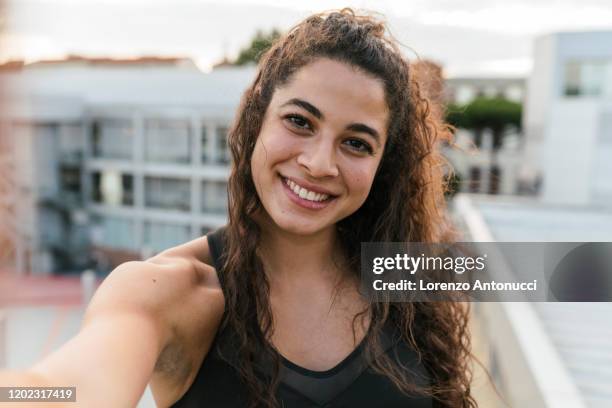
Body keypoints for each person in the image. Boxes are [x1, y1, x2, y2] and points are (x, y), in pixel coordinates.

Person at [0, 9, 476, 408]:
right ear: (256, 123)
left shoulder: (406, 273)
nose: (318, 163)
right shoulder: (171, 291)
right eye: (299, 121)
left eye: (356, 143)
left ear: (381, 167)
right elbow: (70, 389)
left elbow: (544, 275)